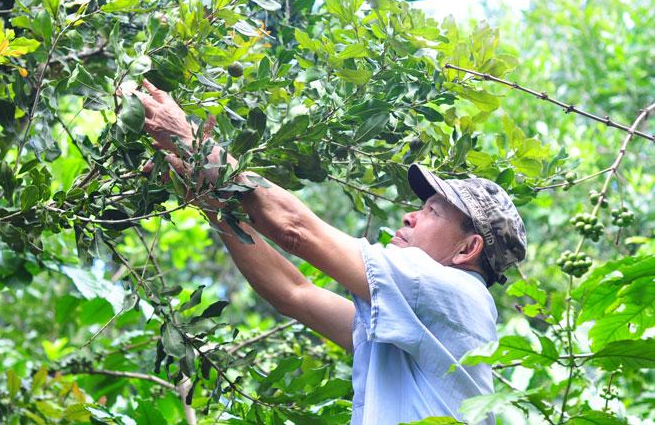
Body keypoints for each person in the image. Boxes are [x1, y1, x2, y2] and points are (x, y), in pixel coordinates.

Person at [122, 80, 527, 424]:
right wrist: (211, 199)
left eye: (431, 211)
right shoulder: (422, 322)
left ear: (467, 249)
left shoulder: (453, 293)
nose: (409, 217)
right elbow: (293, 292)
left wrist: (193, 144)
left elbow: (296, 229)